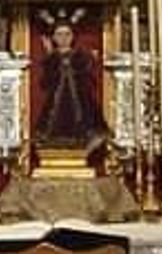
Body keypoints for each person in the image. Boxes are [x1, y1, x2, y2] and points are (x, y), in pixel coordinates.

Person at [34, 11, 107, 153]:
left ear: (73, 36)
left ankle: (83, 144)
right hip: (56, 101)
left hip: (80, 99)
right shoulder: (52, 57)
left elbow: (86, 71)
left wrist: (91, 59)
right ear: (53, 37)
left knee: (87, 125)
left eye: (67, 34)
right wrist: (50, 56)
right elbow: (45, 82)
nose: (63, 38)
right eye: (59, 34)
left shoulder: (79, 55)